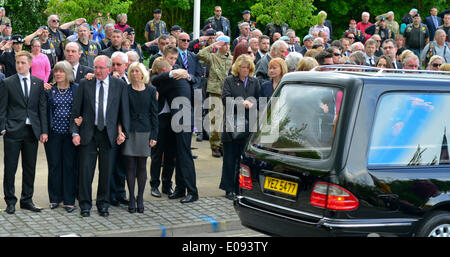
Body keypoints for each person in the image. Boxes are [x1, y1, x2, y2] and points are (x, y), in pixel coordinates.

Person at [70, 55, 130, 217]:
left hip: (109, 134)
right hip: (88, 133)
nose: (97, 71)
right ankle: (85, 205)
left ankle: (103, 204)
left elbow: (123, 111)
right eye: (95, 67)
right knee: (85, 171)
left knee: (106, 171)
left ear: (109, 69)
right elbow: (76, 111)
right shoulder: (85, 84)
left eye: (101, 68)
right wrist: (75, 132)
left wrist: (123, 132)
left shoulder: (119, 85)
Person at [0, 51, 48, 214]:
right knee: (10, 168)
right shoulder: (7, 82)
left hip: (31, 132)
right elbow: (2, 108)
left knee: (30, 167)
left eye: (22, 63)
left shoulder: (38, 83)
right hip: (13, 131)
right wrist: (3, 128)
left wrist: (43, 130)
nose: (19, 65)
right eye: (17, 62)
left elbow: (42, 108)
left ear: (29, 64)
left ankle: (27, 200)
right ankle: (10, 201)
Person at [151, 57, 199, 204]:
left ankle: (192, 191)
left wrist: (174, 74)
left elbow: (154, 81)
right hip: (180, 117)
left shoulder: (171, 79)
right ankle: (180, 189)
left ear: (163, 71)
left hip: (182, 117)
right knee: (179, 154)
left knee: (184, 155)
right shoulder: (178, 77)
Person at [220, 54, 260, 200]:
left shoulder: (254, 82)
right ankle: (228, 188)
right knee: (229, 158)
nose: (245, 70)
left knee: (243, 159)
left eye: (248, 67)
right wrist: (241, 103)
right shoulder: (230, 80)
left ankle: (239, 187)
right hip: (233, 124)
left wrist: (252, 104)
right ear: (237, 67)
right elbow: (225, 99)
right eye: (243, 67)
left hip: (249, 125)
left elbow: (260, 100)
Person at [122, 62, 158, 213]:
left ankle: (140, 197)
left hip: (145, 130)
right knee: (130, 165)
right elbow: (121, 111)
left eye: (137, 71)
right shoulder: (125, 89)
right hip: (129, 130)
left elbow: (154, 113)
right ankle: (131, 198)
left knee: (142, 166)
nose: (134, 74)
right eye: (132, 71)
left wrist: (154, 135)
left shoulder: (151, 90)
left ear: (143, 74)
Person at [44, 60, 78, 213]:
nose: (58, 74)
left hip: (71, 135)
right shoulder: (49, 91)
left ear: (68, 73)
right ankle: (54, 198)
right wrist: (44, 131)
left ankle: (69, 200)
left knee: (70, 166)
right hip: (53, 135)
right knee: (54, 166)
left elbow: (83, 108)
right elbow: (44, 113)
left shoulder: (76, 89)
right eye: (56, 71)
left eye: (61, 71)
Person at [149, 46, 178, 198]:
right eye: (171, 58)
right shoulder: (157, 71)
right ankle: (154, 185)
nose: (173, 62)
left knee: (170, 154)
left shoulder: (176, 70)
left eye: (175, 59)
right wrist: (170, 73)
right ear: (164, 57)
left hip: (173, 118)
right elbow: (154, 79)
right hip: (159, 118)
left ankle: (168, 185)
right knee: (156, 153)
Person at [198, 36, 233, 158]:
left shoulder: (232, 59)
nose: (226, 47)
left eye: (228, 44)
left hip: (228, 93)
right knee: (216, 120)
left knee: (226, 121)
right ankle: (215, 146)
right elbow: (200, 54)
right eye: (224, 44)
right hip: (215, 92)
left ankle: (223, 145)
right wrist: (213, 45)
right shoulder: (213, 57)